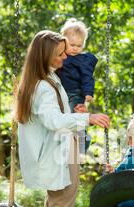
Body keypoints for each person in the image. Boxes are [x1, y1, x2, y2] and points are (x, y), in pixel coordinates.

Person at [15, 30, 110, 207]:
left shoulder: (49, 78)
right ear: (46, 55)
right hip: (53, 154)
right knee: (58, 206)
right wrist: (87, 118)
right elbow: (54, 120)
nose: (66, 57)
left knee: (59, 204)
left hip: (62, 149)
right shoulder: (43, 86)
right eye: (60, 54)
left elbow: (62, 112)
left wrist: (78, 110)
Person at [56, 18, 98, 152]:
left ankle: (83, 140)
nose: (75, 48)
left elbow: (87, 77)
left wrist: (88, 93)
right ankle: (62, 144)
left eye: (79, 46)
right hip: (60, 91)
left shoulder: (83, 60)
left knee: (73, 118)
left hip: (74, 94)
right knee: (61, 119)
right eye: (72, 44)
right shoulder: (59, 56)